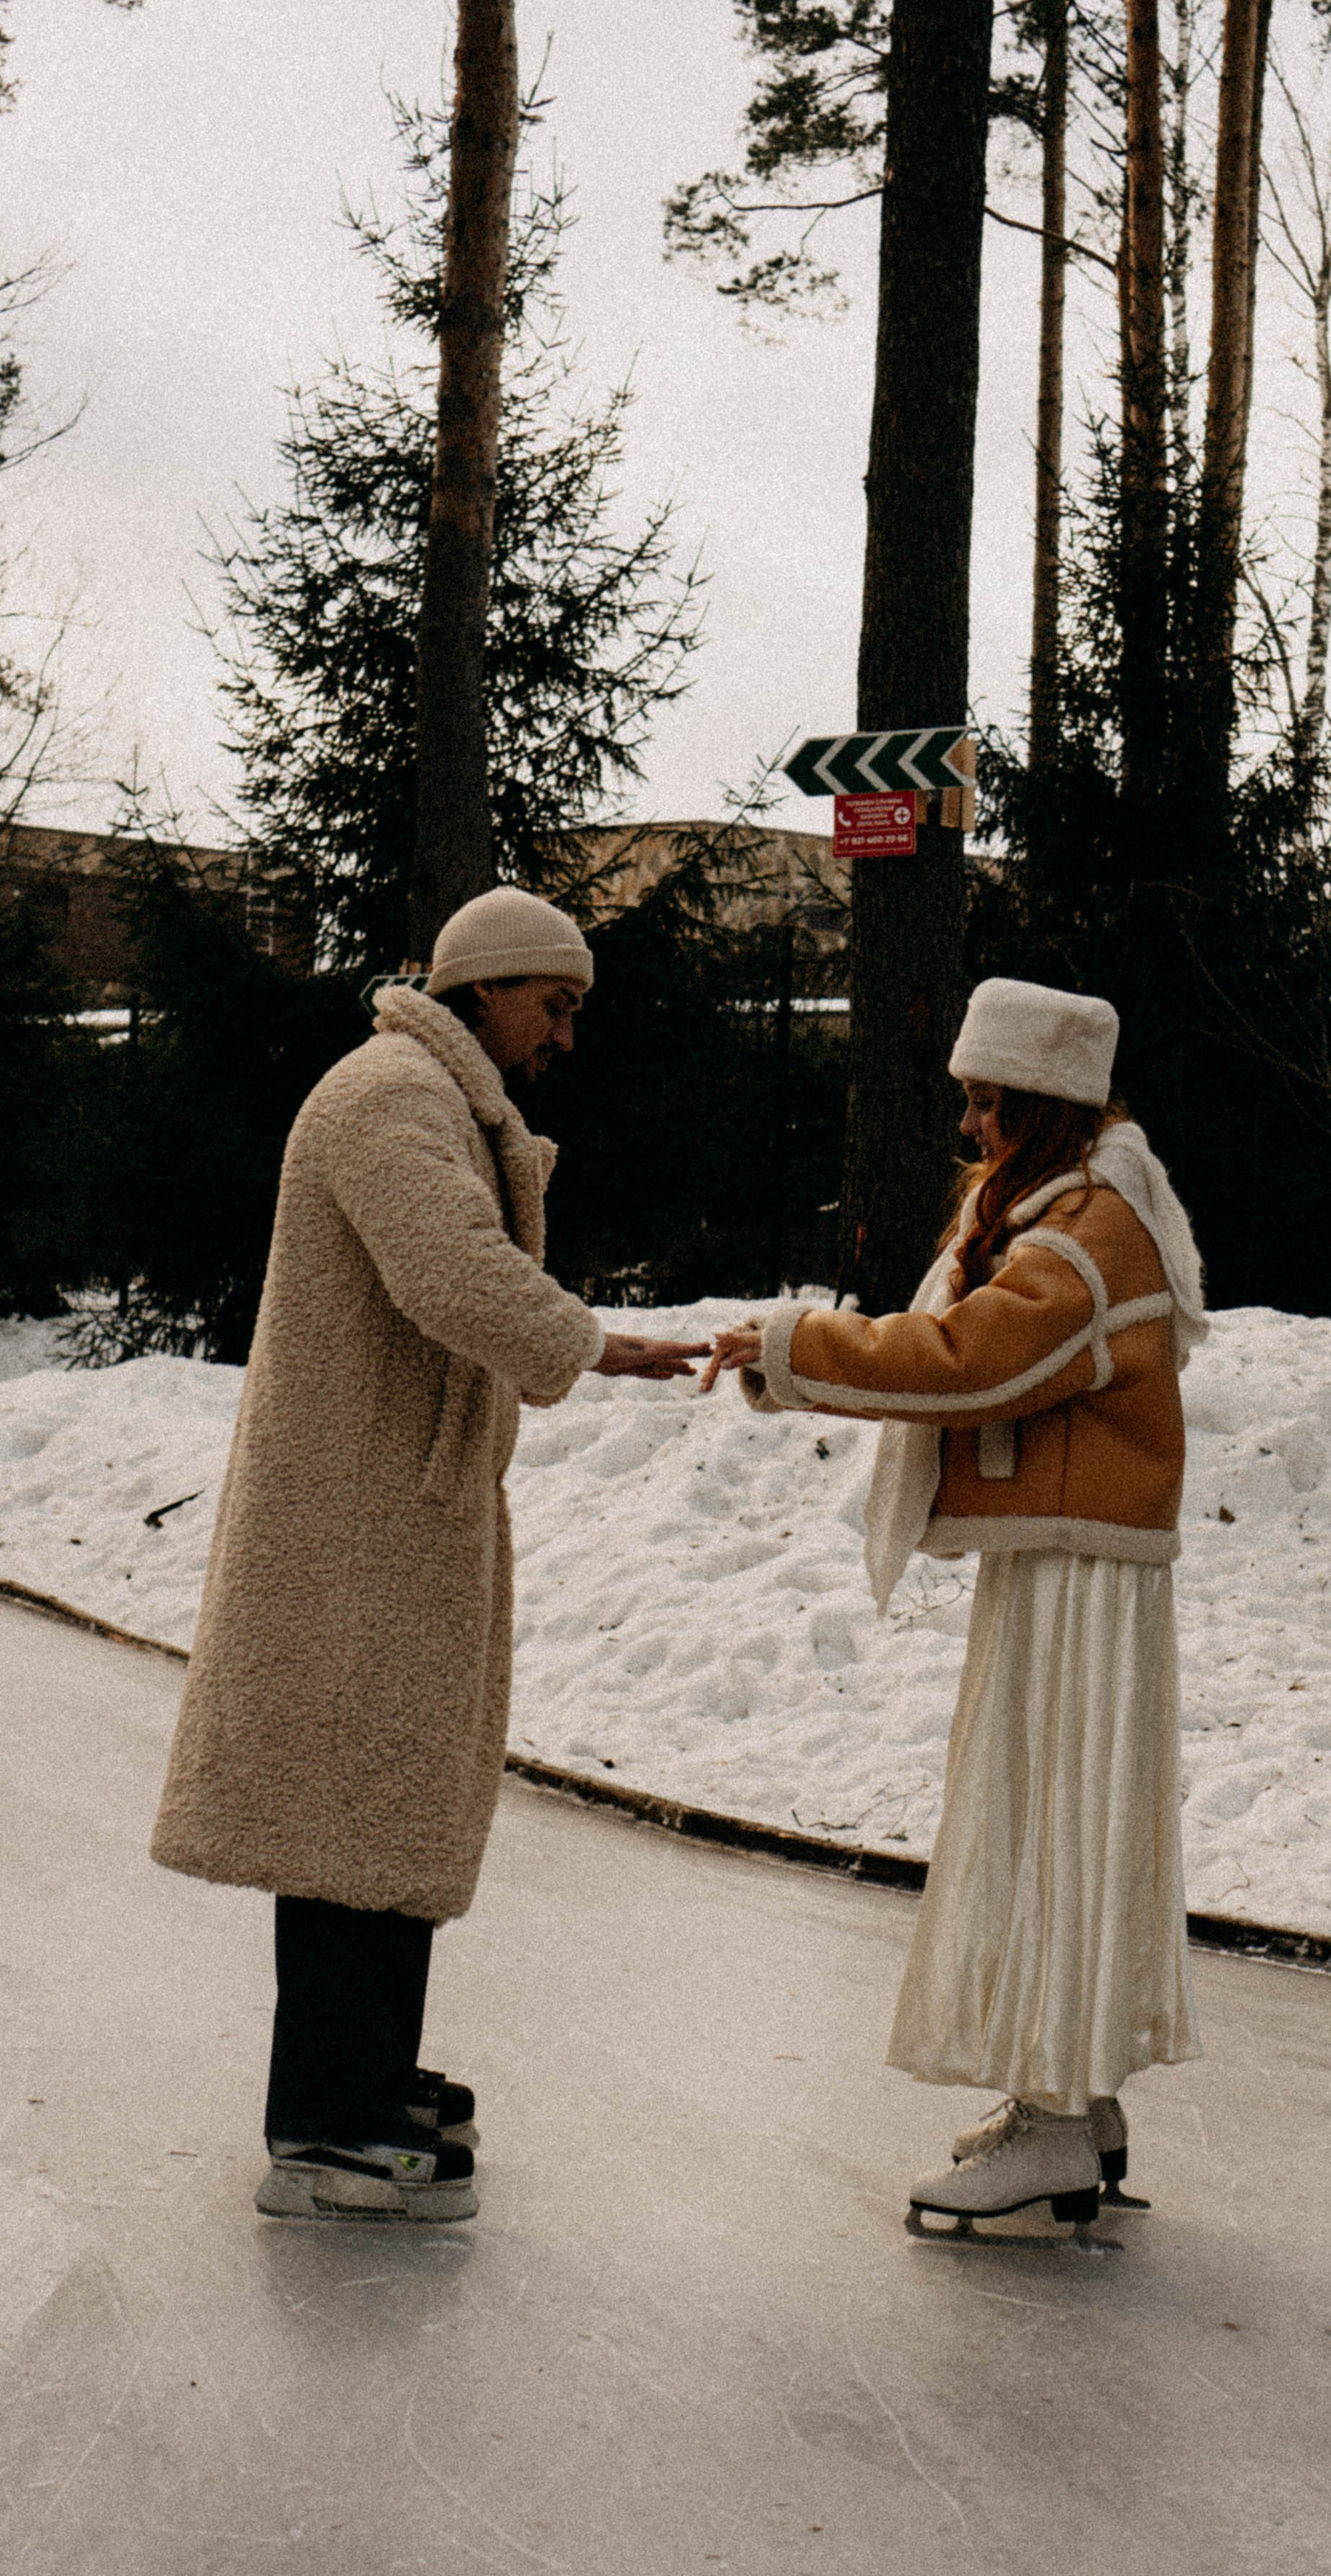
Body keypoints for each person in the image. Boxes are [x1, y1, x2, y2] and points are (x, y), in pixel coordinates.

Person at [151, 885, 708, 2223]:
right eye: (554, 1006)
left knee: (388, 1799)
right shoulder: (390, 1093)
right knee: (346, 1807)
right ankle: (321, 2122)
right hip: (350, 1523)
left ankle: (369, 2073)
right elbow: (448, 1270)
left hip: (394, 1510)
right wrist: (595, 1343)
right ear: (486, 989)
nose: (565, 1037)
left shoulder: (435, 1095)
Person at [705, 976, 1205, 2238]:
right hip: (1067, 1562)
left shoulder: (1087, 1235)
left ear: (1046, 1105)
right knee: (1063, 1818)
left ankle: (1049, 2119)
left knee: (1045, 1821)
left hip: (1078, 1579)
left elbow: (969, 1362)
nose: (970, 1129)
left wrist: (790, 1344)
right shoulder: (1074, 1207)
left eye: (989, 1103)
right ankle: (1074, 2109)